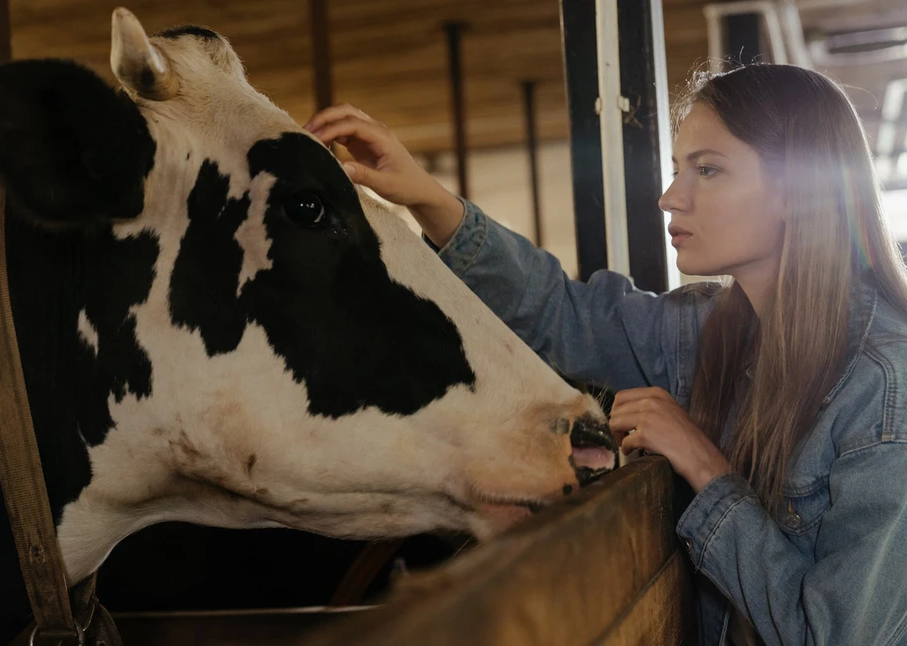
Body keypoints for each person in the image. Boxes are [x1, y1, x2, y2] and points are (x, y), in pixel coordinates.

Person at [304, 63, 907, 645]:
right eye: (677, 169)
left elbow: (835, 636)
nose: (671, 197)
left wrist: (703, 464)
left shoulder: (884, 388)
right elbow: (562, 314)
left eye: (709, 170)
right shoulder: (713, 330)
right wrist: (426, 197)